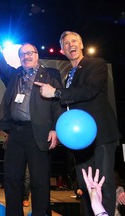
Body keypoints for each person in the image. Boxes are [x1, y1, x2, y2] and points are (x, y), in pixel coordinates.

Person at [35, 31, 121, 216]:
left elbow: (88, 91)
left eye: (74, 41)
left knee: (103, 184)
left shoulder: (96, 64)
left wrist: (57, 93)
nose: (70, 45)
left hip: (101, 135)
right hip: (80, 139)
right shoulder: (68, 77)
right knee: (86, 186)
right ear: (62, 50)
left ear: (81, 45)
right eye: (66, 43)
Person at [0, 28, 63, 216]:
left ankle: (41, 214)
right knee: (11, 178)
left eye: (30, 53)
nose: (26, 56)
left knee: (39, 180)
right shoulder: (15, 75)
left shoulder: (51, 74)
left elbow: (58, 104)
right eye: (22, 54)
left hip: (40, 131)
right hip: (16, 133)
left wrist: (55, 128)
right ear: (18, 58)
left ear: (37, 55)